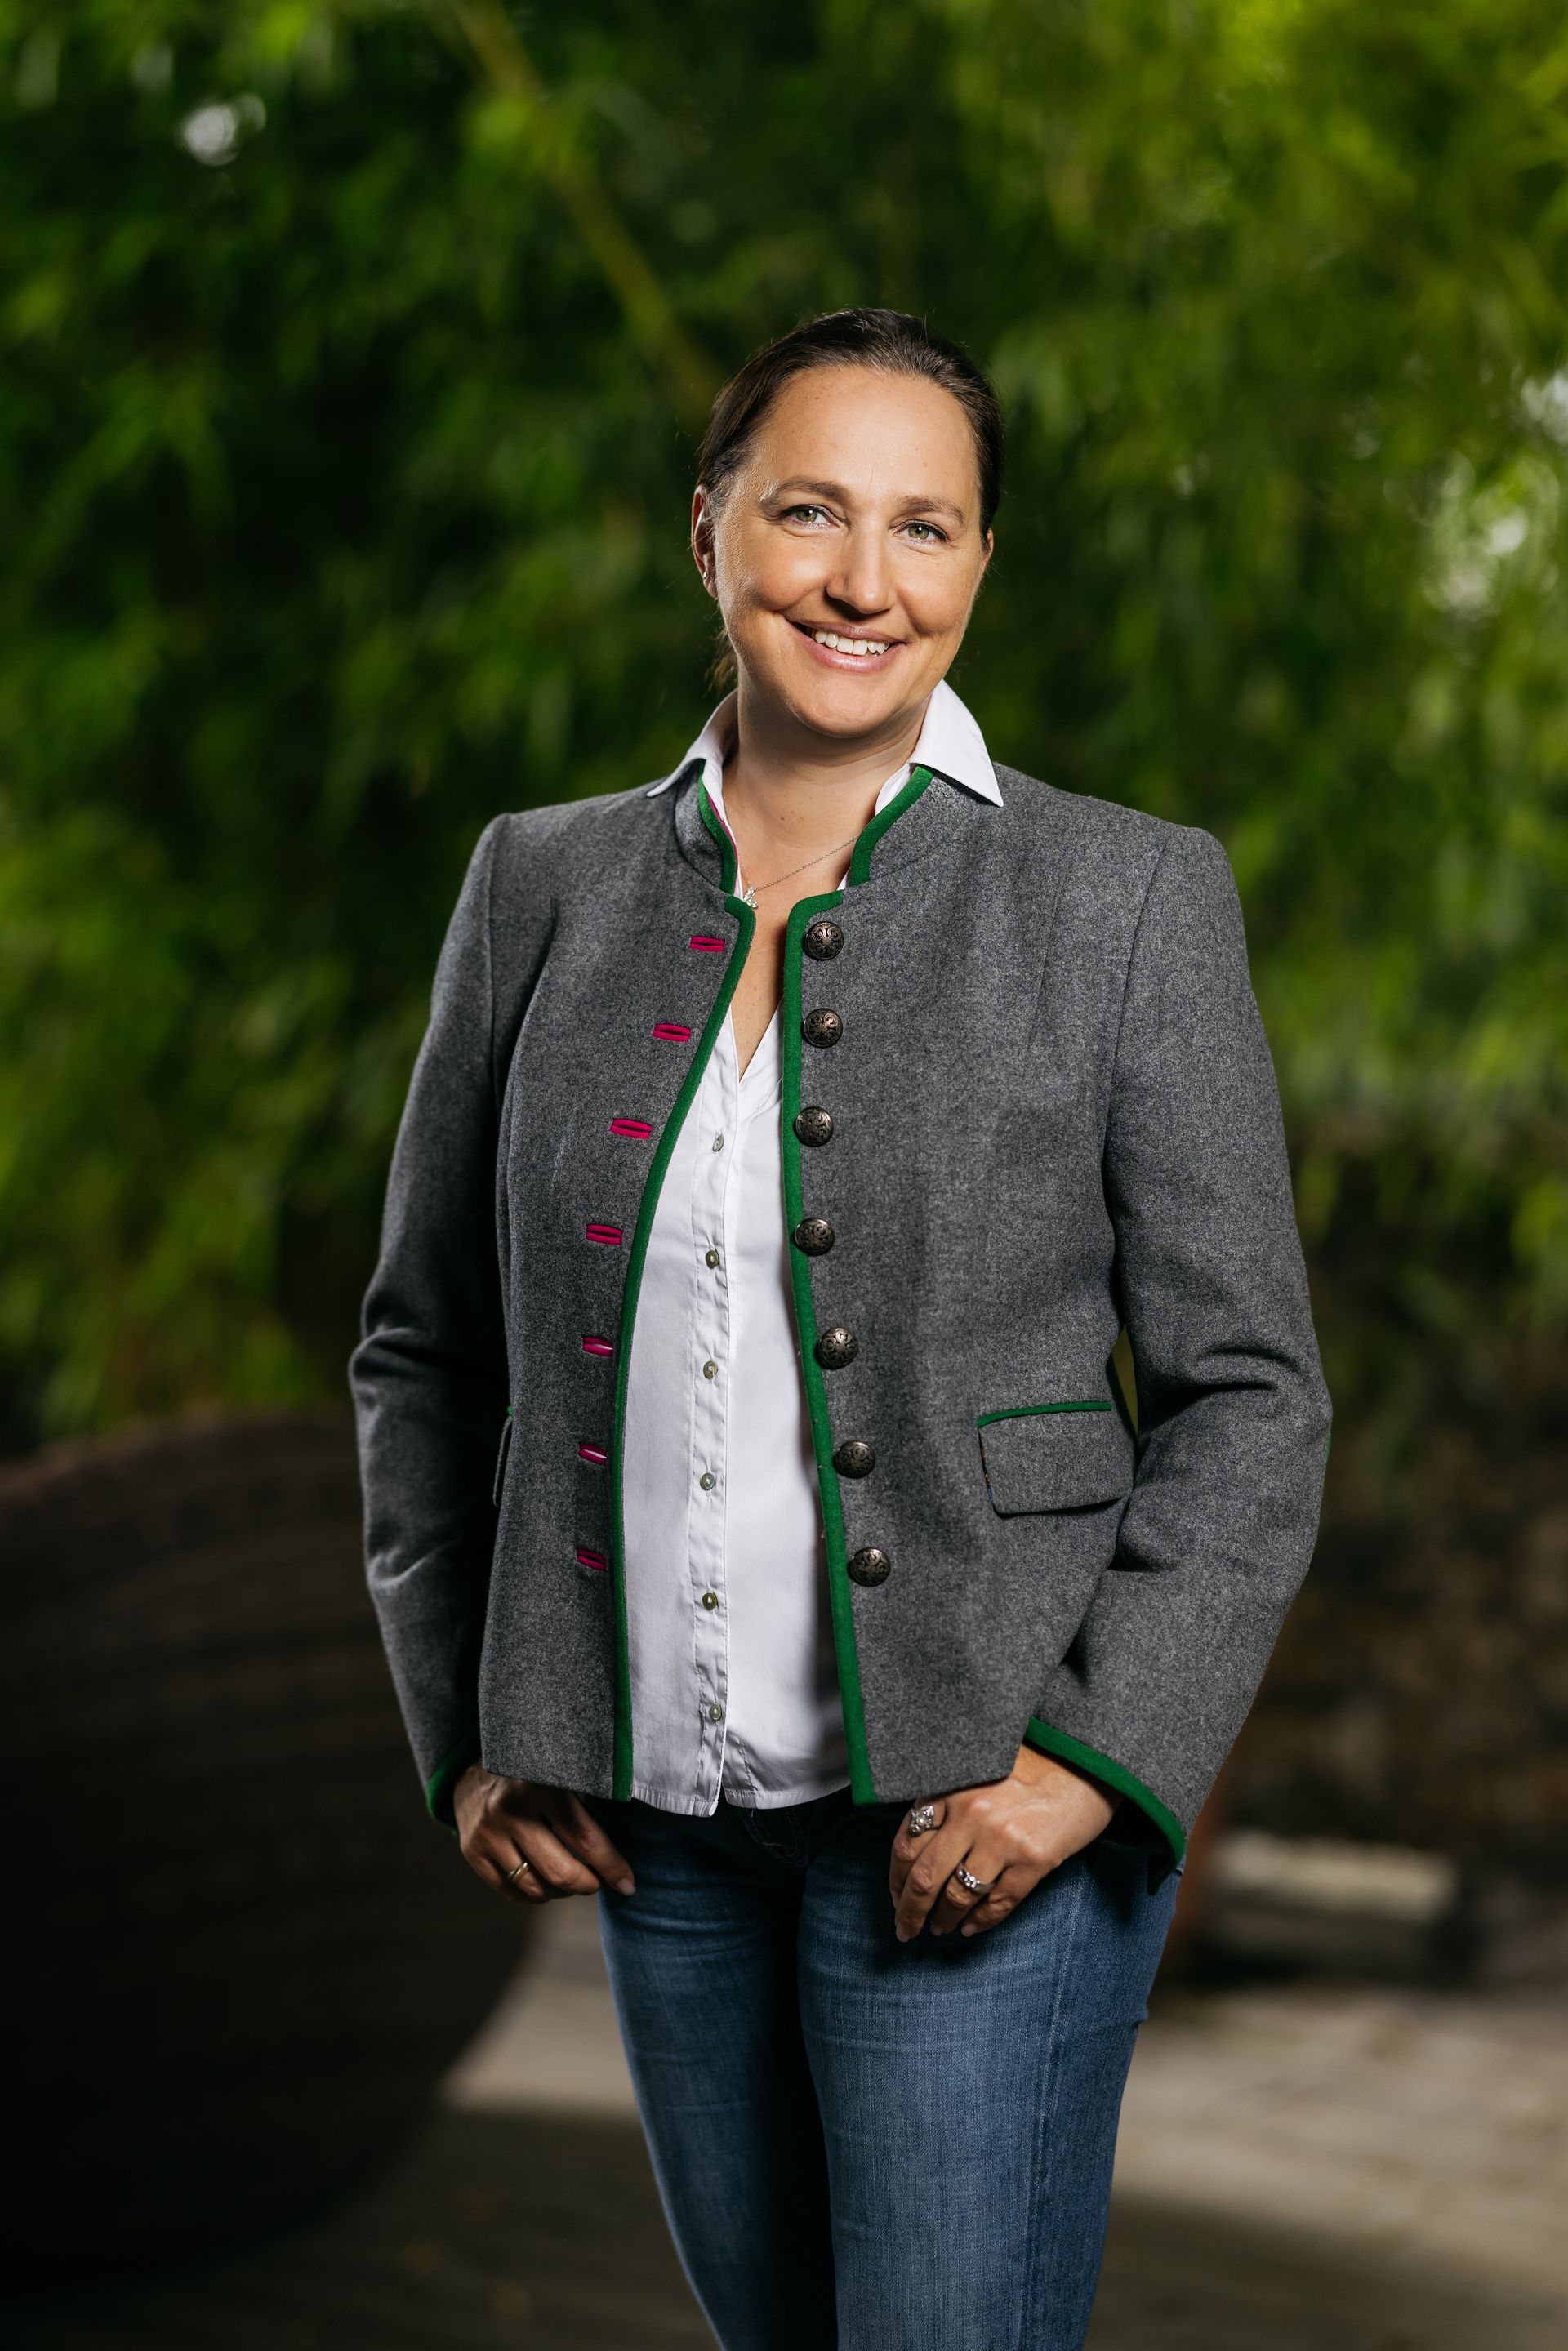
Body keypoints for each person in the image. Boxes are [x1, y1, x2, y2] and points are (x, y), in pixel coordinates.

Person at [349, 306, 1331, 2350]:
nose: (864, 581)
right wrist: (472, 1722)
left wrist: (1087, 1769)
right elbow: (424, 1352)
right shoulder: (535, 886)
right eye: (809, 513)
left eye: (926, 527)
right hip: (659, 1837)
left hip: (989, 1814)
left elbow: (1251, 1397)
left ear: (980, 563)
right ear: (707, 530)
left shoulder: (1127, 900)